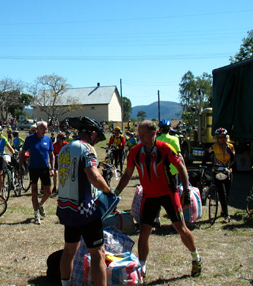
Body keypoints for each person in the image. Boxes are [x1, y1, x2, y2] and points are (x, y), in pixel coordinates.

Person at [115, 120, 202, 279]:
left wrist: (186, 191)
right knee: (144, 232)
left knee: (181, 228)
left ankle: (196, 257)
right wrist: (116, 193)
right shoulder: (135, 151)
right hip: (149, 196)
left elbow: (181, 167)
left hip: (168, 194)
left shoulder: (164, 148)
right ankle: (142, 268)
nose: (139, 137)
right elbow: (127, 175)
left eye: (142, 135)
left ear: (153, 133)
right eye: (138, 134)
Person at [56, 116, 111, 286]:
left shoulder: (65, 148)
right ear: (92, 133)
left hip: (67, 207)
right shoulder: (86, 148)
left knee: (69, 251)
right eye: (96, 137)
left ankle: (65, 284)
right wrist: (108, 190)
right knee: (98, 253)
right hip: (85, 210)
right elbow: (93, 175)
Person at [19, 121, 54, 225]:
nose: (45, 130)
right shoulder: (30, 138)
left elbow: (51, 154)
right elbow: (22, 154)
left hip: (45, 168)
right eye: (43, 128)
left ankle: (41, 203)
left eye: (46, 128)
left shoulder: (48, 139)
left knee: (48, 192)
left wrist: (52, 168)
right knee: (34, 191)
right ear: (37, 128)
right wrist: (20, 169)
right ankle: (36, 214)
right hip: (33, 168)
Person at [202, 127, 235, 223]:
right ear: (217, 138)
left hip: (228, 173)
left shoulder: (230, 147)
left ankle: (223, 211)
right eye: (220, 137)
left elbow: (233, 160)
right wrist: (203, 166)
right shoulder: (213, 148)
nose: (222, 139)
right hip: (217, 173)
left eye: (224, 137)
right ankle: (227, 215)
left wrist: (228, 168)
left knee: (227, 194)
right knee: (222, 194)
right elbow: (205, 157)